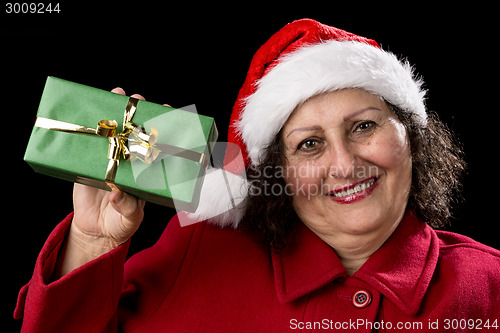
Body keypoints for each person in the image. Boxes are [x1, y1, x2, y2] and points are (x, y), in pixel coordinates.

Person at [15, 19, 500, 332]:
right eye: (309, 144)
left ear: (412, 136)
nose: (345, 164)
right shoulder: (201, 249)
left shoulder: (489, 285)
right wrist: (93, 242)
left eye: (365, 126)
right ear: (278, 174)